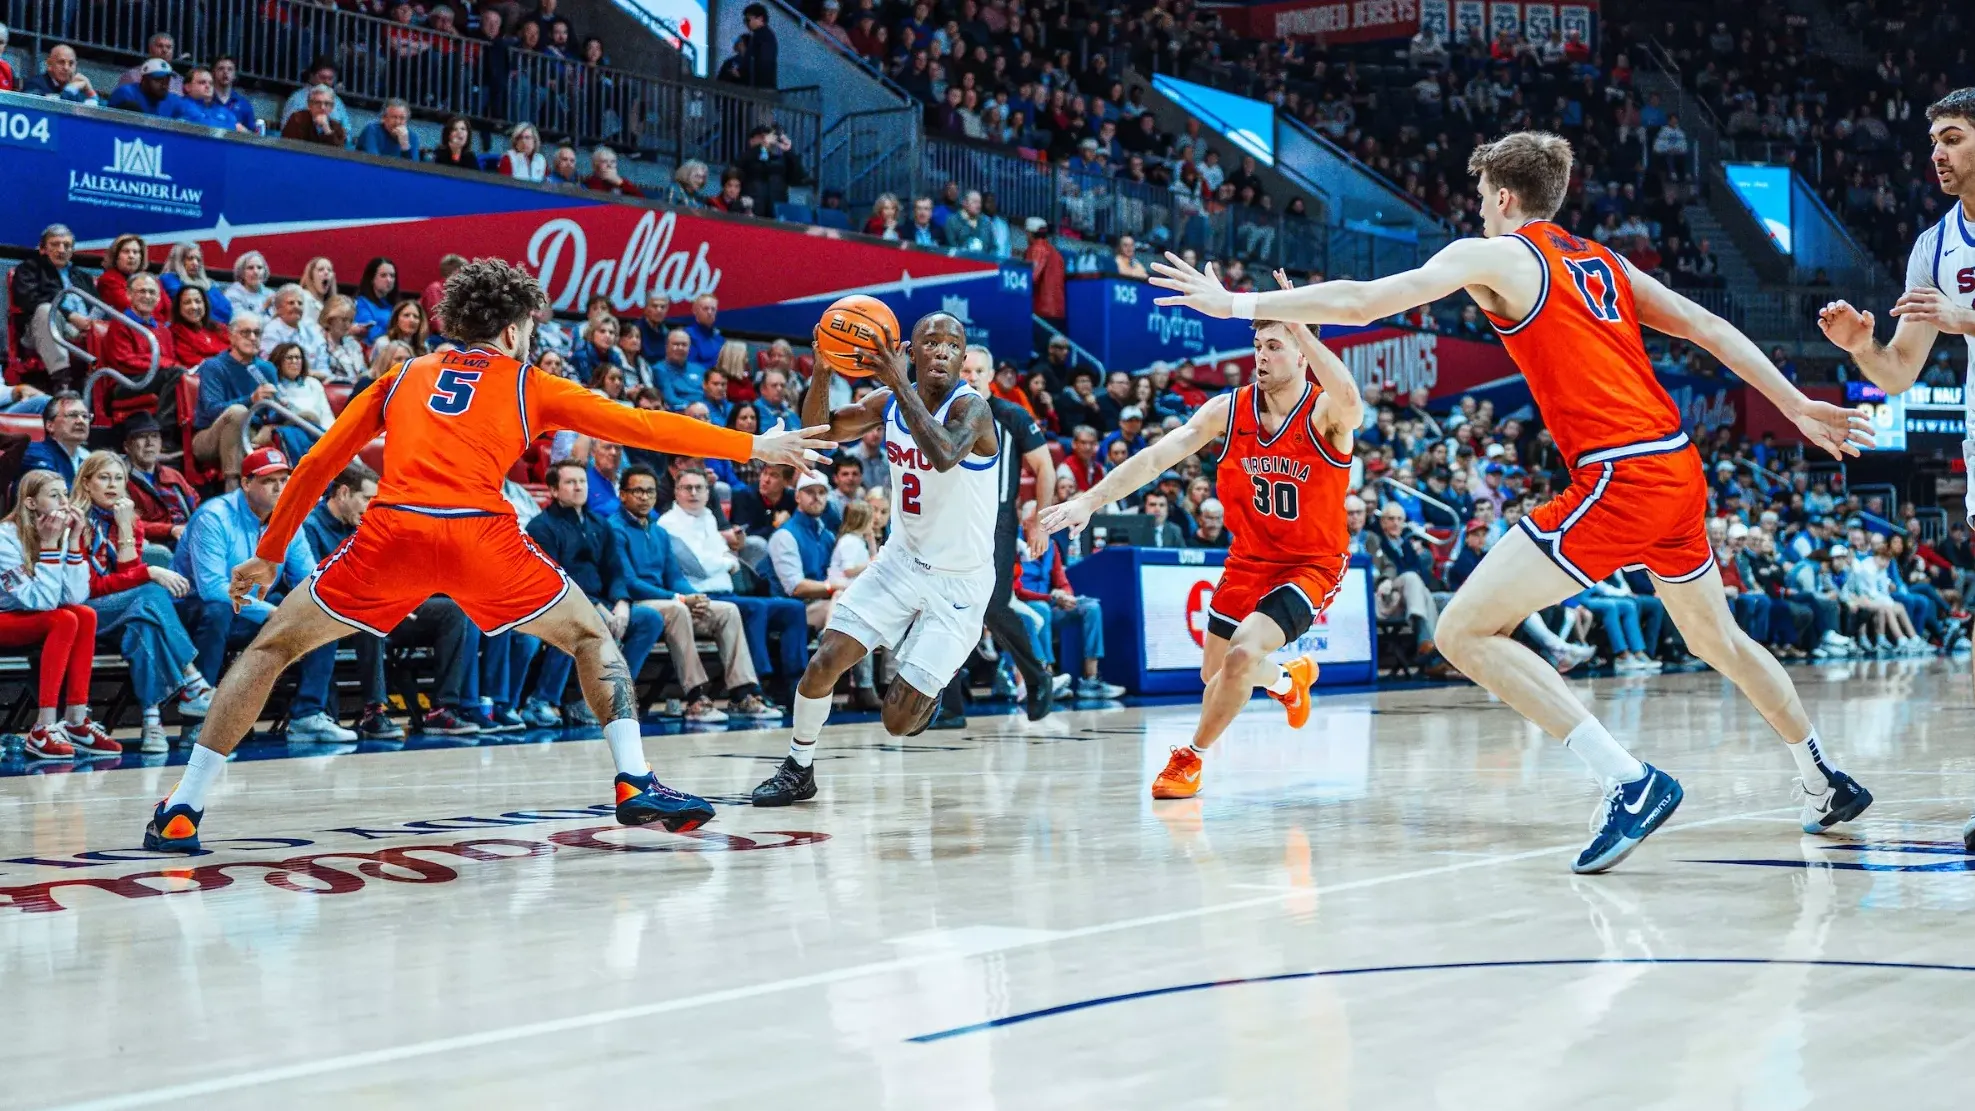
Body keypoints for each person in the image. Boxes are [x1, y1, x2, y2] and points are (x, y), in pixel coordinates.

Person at [1154, 130, 1876, 872]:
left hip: (1619, 475)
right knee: (1718, 639)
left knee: (1462, 630)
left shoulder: (1498, 255)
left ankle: (1627, 780)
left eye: (1479, 198)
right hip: (1675, 465)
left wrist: (1236, 302)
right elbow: (1709, 327)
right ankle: (1822, 779)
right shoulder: (1604, 260)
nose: (1476, 211)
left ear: (1502, 197)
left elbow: (1366, 301)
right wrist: (1795, 404)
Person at [142, 260, 830, 852]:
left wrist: (269, 554)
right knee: (592, 638)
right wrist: (753, 446)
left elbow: (320, 460)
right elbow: (641, 425)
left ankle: (184, 807)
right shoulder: (528, 382)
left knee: (270, 648)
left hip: (394, 534)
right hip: (481, 536)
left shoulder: (401, 375)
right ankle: (634, 780)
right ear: (511, 331)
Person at [1043, 275, 1354, 800]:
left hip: (1310, 563)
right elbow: (1156, 458)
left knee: (1241, 656)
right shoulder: (1228, 410)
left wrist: (1299, 320)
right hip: (1248, 560)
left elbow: (1351, 398)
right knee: (1217, 673)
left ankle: (1190, 759)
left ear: (1303, 353)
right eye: (1258, 345)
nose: (1261, 356)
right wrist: (1089, 501)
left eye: (1275, 346)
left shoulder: (1325, 413)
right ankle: (1287, 680)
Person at [750, 313, 1002, 806]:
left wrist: (897, 382)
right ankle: (798, 767)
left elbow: (944, 454)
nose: (944, 352)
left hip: (960, 583)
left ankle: (931, 680)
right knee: (825, 661)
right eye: (932, 342)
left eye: (954, 345)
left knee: (896, 722)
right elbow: (818, 434)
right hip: (900, 563)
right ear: (911, 350)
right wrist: (823, 369)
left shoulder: (972, 408)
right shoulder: (886, 402)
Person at [1811, 89, 1975, 839]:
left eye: (1953, 138)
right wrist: (1860, 348)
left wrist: (1965, 318)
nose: (1938, 153)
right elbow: (1901, 372)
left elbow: (1959, 320)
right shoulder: (1933, 248)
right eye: (1934, 141)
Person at [71, 451, 215, 752]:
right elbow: (90, 589)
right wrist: (150, 572)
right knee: (151, 593)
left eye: (119, 478)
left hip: (125, 612)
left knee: (143, 626)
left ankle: (152, 721)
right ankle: (193, 681)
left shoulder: (132, 522)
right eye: (104, 478)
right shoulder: (75, 523)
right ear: (86, 483)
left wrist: (125, 528)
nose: (113, 485)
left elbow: (127, 576)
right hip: (85, 612)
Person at [612, 466, 778, 720]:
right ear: (623, 495)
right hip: (636, 603)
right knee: (678, 609)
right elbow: (629, 581)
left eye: (649, 491)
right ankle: (695, 697)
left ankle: (742, 693)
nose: (644, 497)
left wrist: (696, 598)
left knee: (727, 611)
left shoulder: (658, 531)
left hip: (667, 601)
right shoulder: (615, 529)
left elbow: (674, 577)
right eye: (637, 491)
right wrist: (680, 598)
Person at [659, 466, 809, 705]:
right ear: (676, 492)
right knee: (755, 608)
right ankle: (755, 685)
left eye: (699, 488)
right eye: (687, 488)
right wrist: (726, 562)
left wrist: (724, 560)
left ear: (708, 493)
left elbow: (723, 558)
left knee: (793, 609)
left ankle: (795, 682)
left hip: (728, 593)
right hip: (701, 597)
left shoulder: (708, 517)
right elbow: (699, 566)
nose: (694, 493)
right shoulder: (668, 524)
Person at [193, 314, 279, 487]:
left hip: (253, 432)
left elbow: (273, 411)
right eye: (246, 332)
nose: (252, 338)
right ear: (231, 337)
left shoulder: (267, 368)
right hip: (210, 435)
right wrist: (251, 399)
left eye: (257, 333)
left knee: (307, 416)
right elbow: (211, 410)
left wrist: (270, 426)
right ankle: (233, 488)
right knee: (238, 412)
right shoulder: (214, 366)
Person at [10, 224, 99, 385]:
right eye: (55, 244)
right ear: (43, 249)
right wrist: (70, 316)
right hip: (41, 329)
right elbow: (29, 299)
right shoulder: (29, 269)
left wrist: (92, 323)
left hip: (86, 329)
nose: (61, 249)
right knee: (46, 310)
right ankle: (62, 382)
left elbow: (97, 305)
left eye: (67, 245)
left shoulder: (83, 277)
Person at [121, 412, 200, 546]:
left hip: (188, 539)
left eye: (154, 436)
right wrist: (170, 530)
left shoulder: (173, 475)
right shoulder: (121, 479)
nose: (149, 443)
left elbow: (196, 504)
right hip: (155, 546)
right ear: (127, 446)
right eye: (141, 436)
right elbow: (127, 523)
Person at [21, 392, 92, 489]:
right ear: (50, 425)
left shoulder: (88, 457)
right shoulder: (35, 452)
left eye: (85, 416)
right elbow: (51, 490)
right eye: (72, 415)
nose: (81, 421)